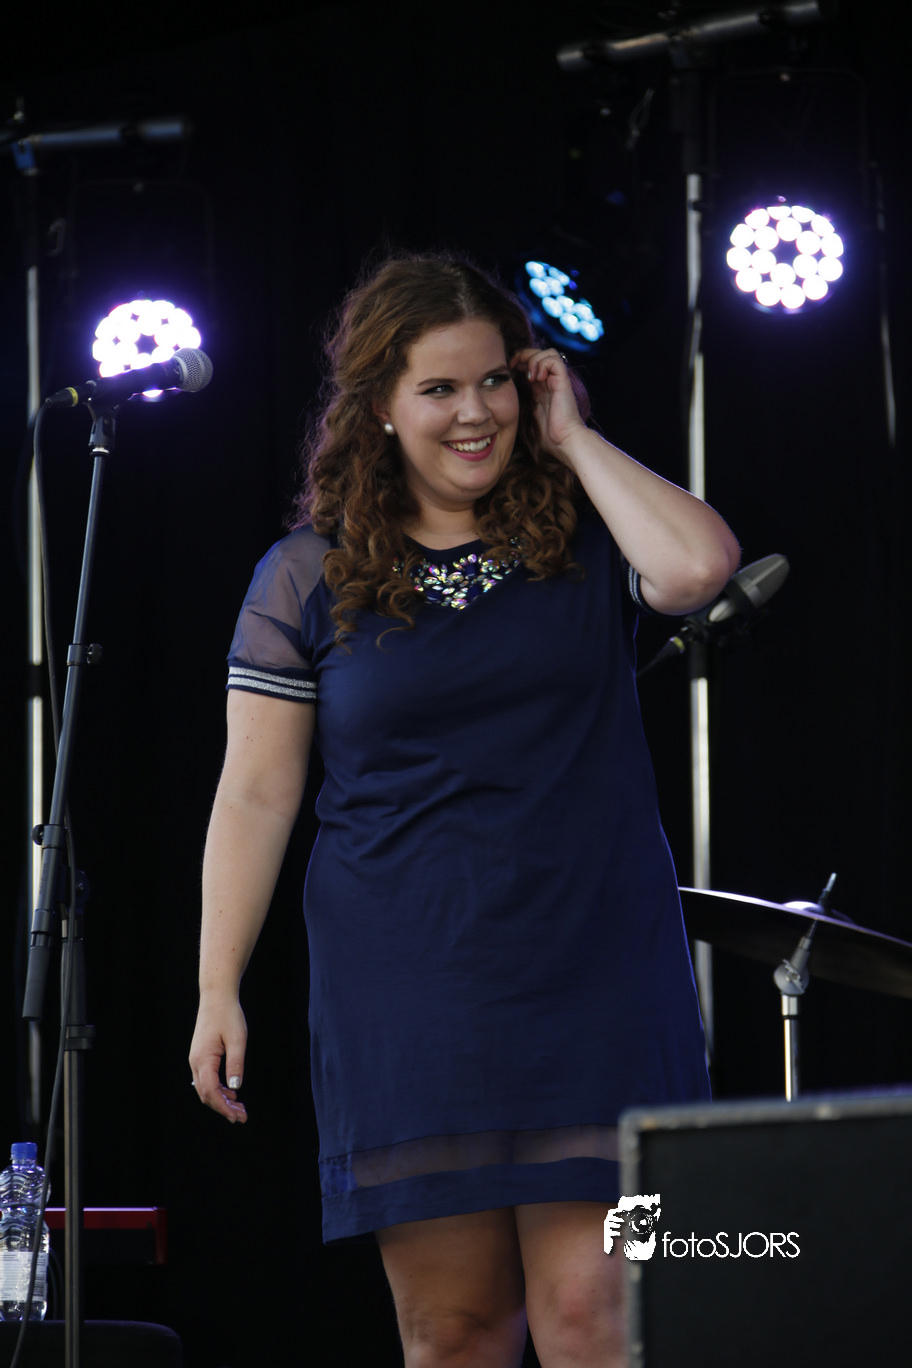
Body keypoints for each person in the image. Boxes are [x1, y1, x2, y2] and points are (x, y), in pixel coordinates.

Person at [189, 251, 739, 1368]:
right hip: (410, 984)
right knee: (453, 1334)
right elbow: (255, 791)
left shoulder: (587, 530)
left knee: (600, 1320)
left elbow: (696, 570)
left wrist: (573, 435)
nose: (475, 412)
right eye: (438, 388)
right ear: (380, 409)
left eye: (495, 380)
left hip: (599, 972)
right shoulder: (307, 573)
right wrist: (215, 984)